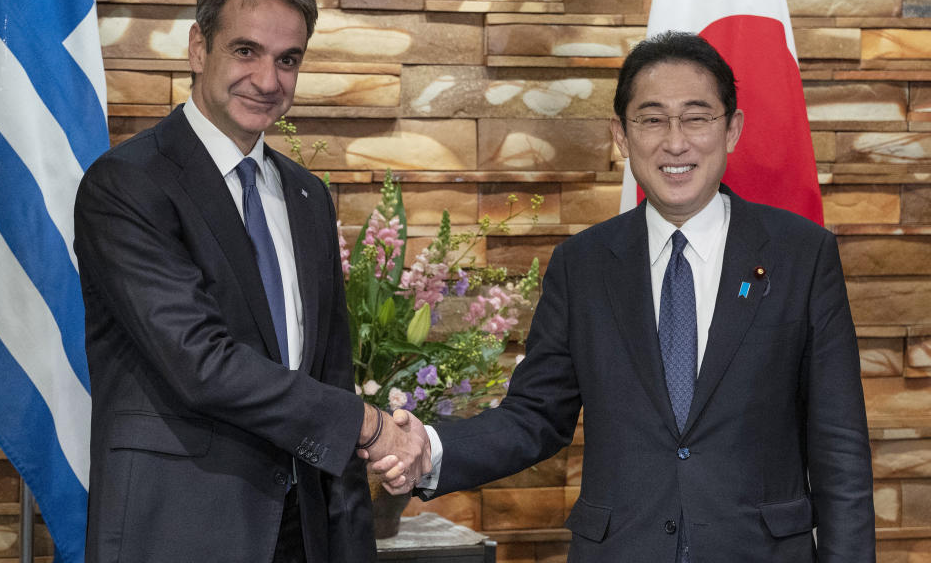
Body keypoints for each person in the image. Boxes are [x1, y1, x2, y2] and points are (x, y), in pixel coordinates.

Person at [369, 31, 875, 562]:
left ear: (732, 130)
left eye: (697, 117)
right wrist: (431, 448)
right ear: (621, 134)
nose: (675, 142)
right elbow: (535, 416)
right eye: (652, 119)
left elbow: (839, 447)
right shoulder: (582, 266)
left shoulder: (802, 255)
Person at [74, 0, 427, 563]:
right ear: (197, 47)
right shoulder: (128, 184)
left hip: (304, 532)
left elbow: (328, 374)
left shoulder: (307, 196)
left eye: (288, 59)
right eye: (246, 51)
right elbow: (201, 362)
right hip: (179, 529)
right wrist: (368, 425)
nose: (267, 79)